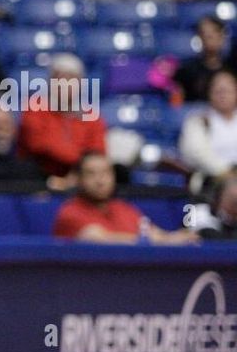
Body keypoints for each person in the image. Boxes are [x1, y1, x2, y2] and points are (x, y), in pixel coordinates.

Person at [53, 151, 199, 244]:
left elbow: (155, 233)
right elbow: (98, 239)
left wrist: (178, 237)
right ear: (79, 179)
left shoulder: (124, 208)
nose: (100, 180)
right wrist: (164, 240)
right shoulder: (69, 212)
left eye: (105, 173)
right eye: (91, 174)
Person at [179, 69, 237, 182]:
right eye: (218, 91)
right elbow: (196, 153)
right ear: (209, 93)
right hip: (213, 178)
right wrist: (226, 171)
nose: (223, 95)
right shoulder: (198, 121)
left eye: (228, 90)